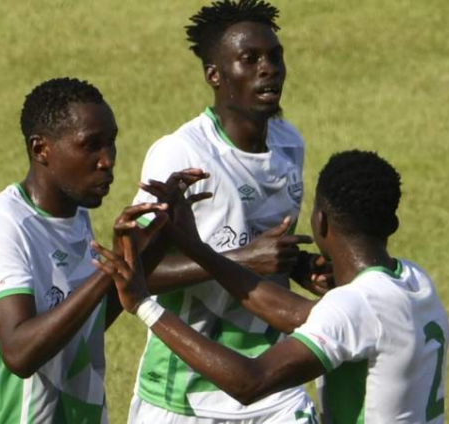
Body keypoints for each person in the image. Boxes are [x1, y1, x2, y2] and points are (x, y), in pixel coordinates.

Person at [99, 150, 449, 424]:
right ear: (392, 223)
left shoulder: (357, 307)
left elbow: (249, 382)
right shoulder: (413, 282)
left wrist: (144, 304)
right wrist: (194, 246)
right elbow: (299, 314)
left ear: (320, 222)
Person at [128, 0, 332, 422]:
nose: (268, 69)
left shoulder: (289, 144)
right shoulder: (182, 153)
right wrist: (243, 260)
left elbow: (264, 248)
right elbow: (134, 271)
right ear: (214, 75)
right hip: (185, 392)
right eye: (250, 59)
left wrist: (298, 265)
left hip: (274, 385)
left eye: (275, 57)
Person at [0, 77, 171, 424]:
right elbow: (19, 353)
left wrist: (156, 237)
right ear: (40, 149)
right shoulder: (4, 225)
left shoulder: (75, 217)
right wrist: (108, 268)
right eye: (91, 145)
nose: (107, 160)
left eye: (111, 142)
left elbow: (87, 325)